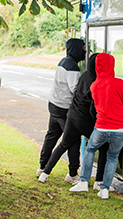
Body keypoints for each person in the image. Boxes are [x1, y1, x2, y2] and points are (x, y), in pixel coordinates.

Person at [38, 53, 110, 187]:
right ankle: (99, 181)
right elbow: (92, 108)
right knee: (104, 147)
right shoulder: (97, 82)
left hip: (72, 116)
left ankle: (44, 173)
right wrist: (97, 123)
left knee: (63, 144)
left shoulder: (84, 75)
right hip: (84, 120)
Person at [70, 53, 123, 199]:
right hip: (121, 129)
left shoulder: (94, 86)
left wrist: (122, 86)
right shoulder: (119, 83)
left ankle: (84, 182)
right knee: (112, 157)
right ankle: (104, 189)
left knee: (90, 150)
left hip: (102, 128)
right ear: (112, 65)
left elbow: (107, 93)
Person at [36, 38, 86, 181]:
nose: (85, 50)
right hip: (64, 108)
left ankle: (42, 166)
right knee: (73, 139)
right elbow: (75, 90)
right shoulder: (72, 67)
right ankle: (72, 174)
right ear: (77, 48)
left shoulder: (64, 61)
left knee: (52, 135)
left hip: (54, 104)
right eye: (83, 47)